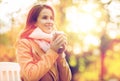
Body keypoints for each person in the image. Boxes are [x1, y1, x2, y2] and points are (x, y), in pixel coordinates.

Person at [15, 4, 72, 81]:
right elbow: (30, 76)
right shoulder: (24, 43)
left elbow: (66, 79)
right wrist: (52, 51)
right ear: (34, 22)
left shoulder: (52, 42)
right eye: (45, 18)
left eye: (51, 18)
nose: (50, 22)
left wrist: (60, 54)